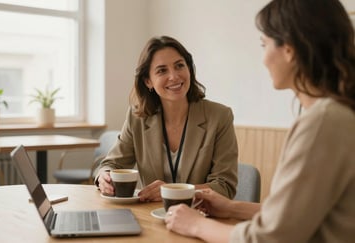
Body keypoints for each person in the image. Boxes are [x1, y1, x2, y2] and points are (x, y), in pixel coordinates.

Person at [164, 0, 355, 242]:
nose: (263, 59)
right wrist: (232, 208)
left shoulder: (323, 122)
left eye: (264, 44)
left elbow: (270, 238)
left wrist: (196, 226)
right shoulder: (337, 114)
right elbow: (292, 218)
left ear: (289, 49)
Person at [95, 36, 238, 202]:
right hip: (150, 216)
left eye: (179, 66)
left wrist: (170, 191)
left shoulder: (219, 116)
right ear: (148, 81)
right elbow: (112, 164)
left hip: (200, 217)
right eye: (162, 70)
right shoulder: (137, 118)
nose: (174, 76)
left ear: (189, 69)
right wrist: (104, 176)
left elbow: (224, 186)